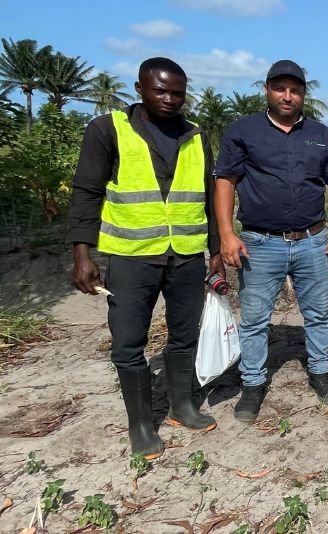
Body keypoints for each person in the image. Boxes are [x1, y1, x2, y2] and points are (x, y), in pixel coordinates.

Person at [68, 57, 219, 459]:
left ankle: (181, 406)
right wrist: (82, 253)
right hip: (131, 256)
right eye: (160, 90)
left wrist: (217, 251)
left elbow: (209, 196)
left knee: (184, 335)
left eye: (178, 93)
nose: (170, 99)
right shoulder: (108, 129)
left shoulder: (195, 135)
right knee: (128, 343)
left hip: (186, 255)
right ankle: (140, 424)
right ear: (140, 89)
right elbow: (86, 191)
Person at [214, 60, 328, 422]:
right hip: (260, 243)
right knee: (255, 319)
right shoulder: (243, 131)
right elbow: (225, 181)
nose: (287, 96)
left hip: (311, 241)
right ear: (267, 90)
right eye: (280, 89)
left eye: (295, 90)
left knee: (318, 314)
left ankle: (320, 371)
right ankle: (253, 383)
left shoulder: (321, 134)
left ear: (303, 93)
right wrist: (226, 234)